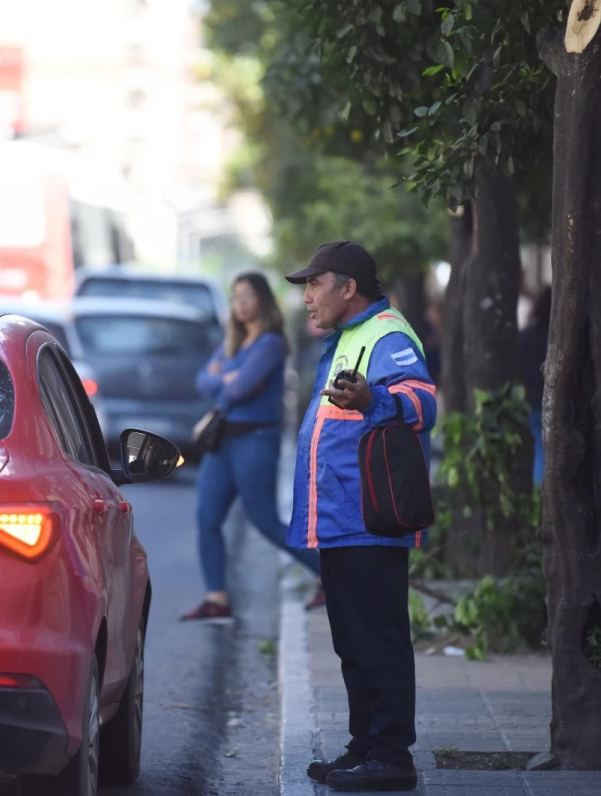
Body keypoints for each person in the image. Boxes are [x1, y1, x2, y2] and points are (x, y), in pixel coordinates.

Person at [286, 241, 437, 792]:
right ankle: (365, 744)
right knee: (352, 641)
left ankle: (393, 753)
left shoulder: (387, 334)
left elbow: (423, 403)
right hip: (341, 519)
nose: (306, 298)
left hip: (371, 518)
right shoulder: (348, 336)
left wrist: (375, 398)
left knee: (378, 638)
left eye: (314, 284)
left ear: (348, 288)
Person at [182, 271, 325, 622]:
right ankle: (217, 598)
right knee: (207, 518)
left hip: (255, 441)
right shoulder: (234, 341)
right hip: (222, 442)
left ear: (261, 299)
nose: (240, 303)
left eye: (247, 295)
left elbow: (238, 390)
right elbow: (203, 382)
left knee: (264, 522)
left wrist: (226, 378)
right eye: (235, 296)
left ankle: (333, 575)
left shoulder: (270, 343)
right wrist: (225, 378)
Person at [518, 287, 551, 485]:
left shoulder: (524, 337)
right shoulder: (558, 341)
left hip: (530, 403)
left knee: (538, 451)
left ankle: (541, 490)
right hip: (555, 404)